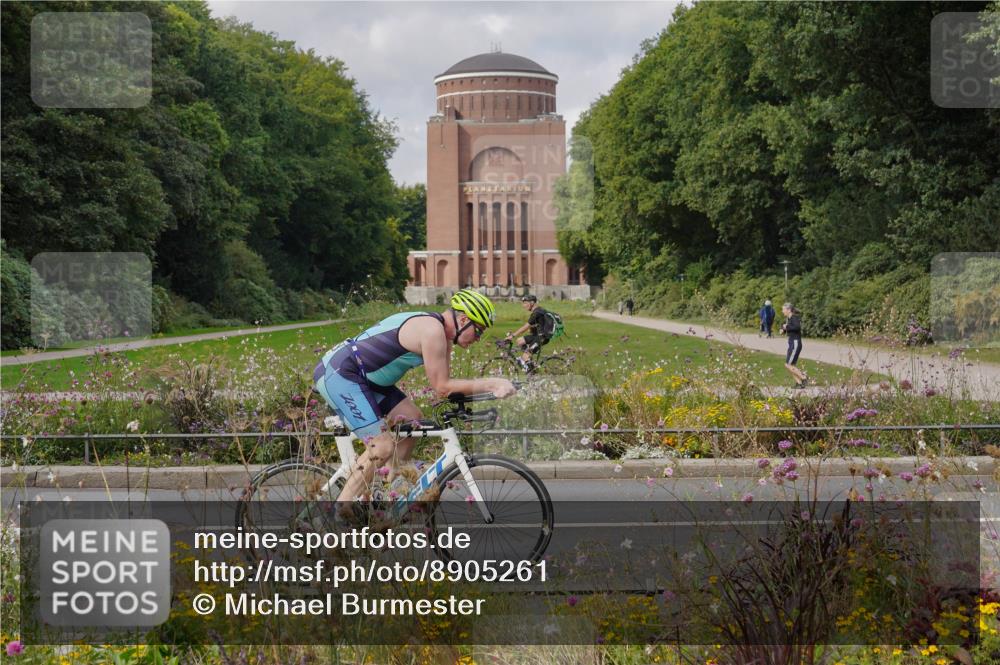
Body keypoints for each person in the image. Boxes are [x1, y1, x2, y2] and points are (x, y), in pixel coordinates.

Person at [313, 289, 516, 506]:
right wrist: (493, 383)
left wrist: (488, 392)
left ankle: (379, 496)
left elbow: (447, 385)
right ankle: (340, 514)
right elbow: (443, 387)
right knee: (382, 446)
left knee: (413, 423)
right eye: (478, 331)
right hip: (342, 374)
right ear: (464, 320)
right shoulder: (432, 330)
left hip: (368, 380)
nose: (478, 338)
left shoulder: (443, 335)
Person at [506, 294, 553, 372]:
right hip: (537, 335)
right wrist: (533, 328)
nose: (523, 305)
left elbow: (525, 327)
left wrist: (512, 335)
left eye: (525, 303)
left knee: (525, 356)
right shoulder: (539, 310)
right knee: (519, 341)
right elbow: (540, 324)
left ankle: (532, 374)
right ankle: (529, 361)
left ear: (532, 303)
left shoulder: (537, 313)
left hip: (542, 338)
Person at [779, 302, 808, 388]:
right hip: (792, 343)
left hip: (795, 343)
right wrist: (783, 330)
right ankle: (799, 383)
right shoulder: (788, 319)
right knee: (789, 365)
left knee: (788, 365)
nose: (782, 311)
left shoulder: (794, 317)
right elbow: (788, 327)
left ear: (788, 310)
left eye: (783, 309)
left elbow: (797, 327)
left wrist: (786, 327)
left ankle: (804, 377)